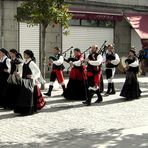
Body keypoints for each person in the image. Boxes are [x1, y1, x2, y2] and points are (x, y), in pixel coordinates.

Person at [14, 50, 45, 115]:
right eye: (24, 54)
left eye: (25, 54)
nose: (24, 55)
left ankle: (28, 111)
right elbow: (22, 71)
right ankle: (23, 111)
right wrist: (18, 74)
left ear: (28, 55)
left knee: (28, 96)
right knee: (24, 96)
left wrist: (32, 76)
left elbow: (38, 72)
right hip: (24, 81)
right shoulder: (25, 62)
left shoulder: (31, 63)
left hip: (29, 82)